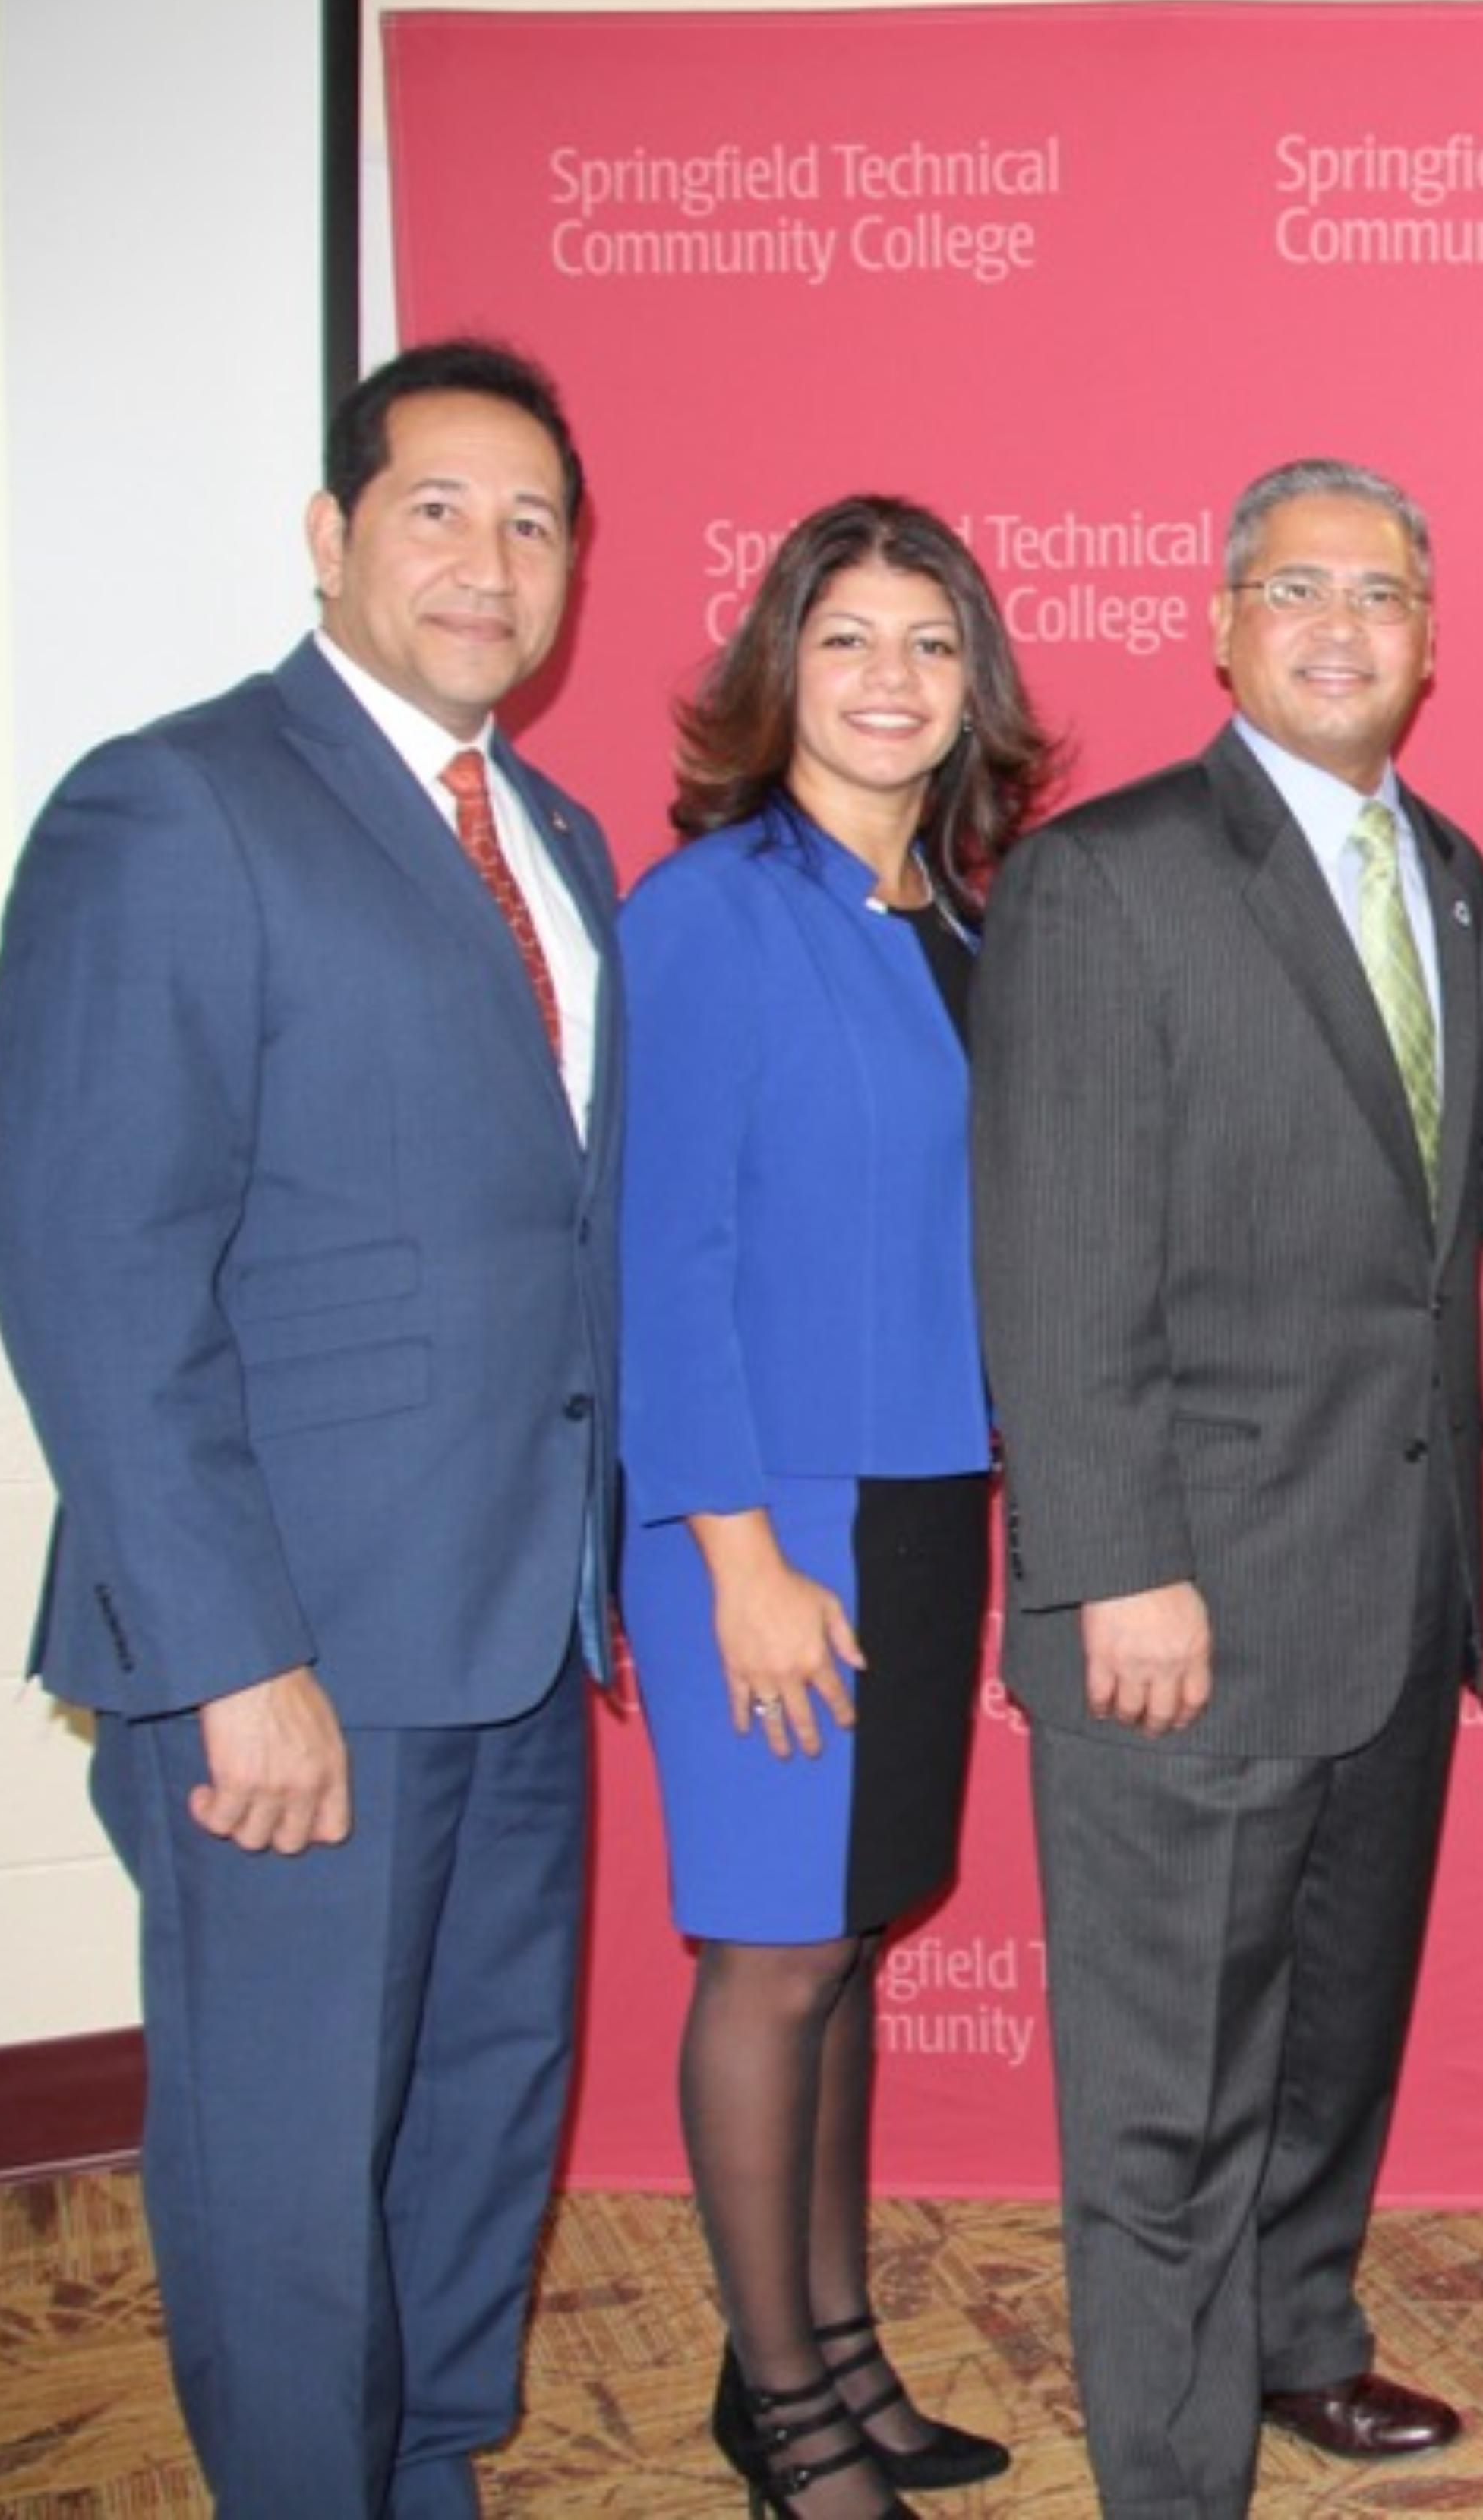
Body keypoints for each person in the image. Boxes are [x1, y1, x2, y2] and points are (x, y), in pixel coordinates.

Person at [0, 340, 618, 2519]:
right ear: (333, 536)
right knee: (281, 2156)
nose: (489, 559)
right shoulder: (175, 800)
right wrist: (233, 1656)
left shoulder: (554, 830)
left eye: (533, 523)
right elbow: (89, 1257)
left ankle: (421, 2473)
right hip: (298, 1658)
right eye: (440, 507)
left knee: (474, 2114)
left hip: (518, 1623)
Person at [973, 458, 1483, 2518]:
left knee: (1327, 2044)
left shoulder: (1447, 868)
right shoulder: (1106, 879)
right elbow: (1055, 1254)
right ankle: (1172, 2478)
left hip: (1387, 1588)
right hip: (1180, 1603)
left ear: (1430, 640)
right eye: (1297, 588)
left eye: (1381, 592)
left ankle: (1296, 2339)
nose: (1341, 624)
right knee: (1168, 2094)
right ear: (1218, 621)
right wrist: (1116, 1566)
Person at [618, 496, 1062, 2516]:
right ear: (776, 668)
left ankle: (834, 2357)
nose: (890, 683)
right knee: (772, 1960)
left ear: (976, 686)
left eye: (929, 646)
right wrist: (735, 1557)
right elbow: (666, 1255)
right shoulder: (705, 910)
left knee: (851, 1937)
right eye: (847, 641)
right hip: (765, 1517)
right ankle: (780, 2408)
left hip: (919, 1494)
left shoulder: (964, 925)